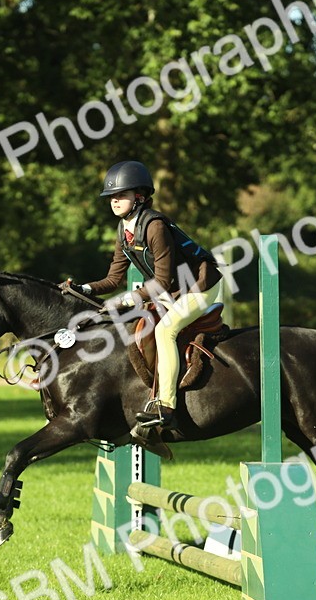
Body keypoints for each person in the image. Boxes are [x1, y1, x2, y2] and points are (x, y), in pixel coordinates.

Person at [76, 160, 223, 432]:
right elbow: (113, 279)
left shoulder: (154, 226)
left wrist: (130, 299)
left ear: (140, 197)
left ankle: (166, 406)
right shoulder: (123, 231)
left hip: (198, 285)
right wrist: (85, 289)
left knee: (165, 330)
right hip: (171, 289)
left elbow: (164, 280)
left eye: (121, 195)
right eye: (111, 196)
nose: (114, 200)